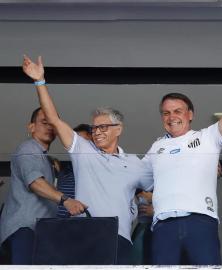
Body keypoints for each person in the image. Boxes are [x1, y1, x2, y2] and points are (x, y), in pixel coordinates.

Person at [22, 57, 153, 265]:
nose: (97, 132)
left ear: (118, 129)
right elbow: (54, 119)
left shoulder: (135, 163)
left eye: (103, 127)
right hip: (84, 235)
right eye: (94, 128)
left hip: (119, 238)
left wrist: (154, 208)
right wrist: (40, 82)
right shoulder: (83, 151)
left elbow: (159, 185)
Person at [144, 42, 222, 265]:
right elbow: (136, 181)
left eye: (178, 111)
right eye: (166, 113)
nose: (171, 117)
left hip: (200, 221)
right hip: (164, 225)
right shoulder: (155, 147)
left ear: (190, 115)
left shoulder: (207, 137)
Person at [0, 108, 85, 264]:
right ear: (31, 127)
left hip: (37, 231)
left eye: (52, 123)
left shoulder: (46, 159)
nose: (49, 127)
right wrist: (66, 200)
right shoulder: (28, 149)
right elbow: (35, 182)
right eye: (44, 122)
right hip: (24, 229)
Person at [54, 124, 92, 218]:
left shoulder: (101, 172)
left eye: (85, 144)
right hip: (60, 226)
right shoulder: (63, 170)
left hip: (88, 225)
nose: (80, 149)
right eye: (77, 144)